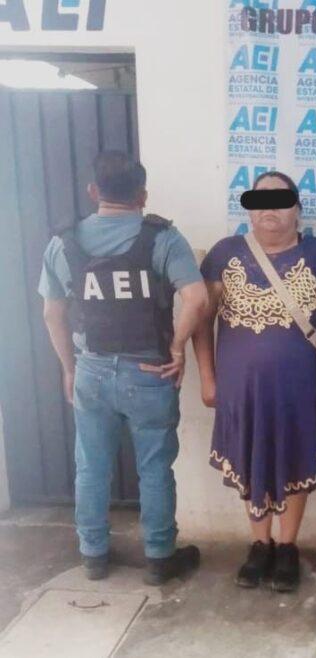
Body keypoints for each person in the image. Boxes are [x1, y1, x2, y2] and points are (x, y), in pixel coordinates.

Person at [39, 151, 208, 584]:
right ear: (142, 195)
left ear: (93, 191)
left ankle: (93, 554)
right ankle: (159, 557)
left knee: (91, 466)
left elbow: (52, 314)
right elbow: (197, 299)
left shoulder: (63, 242)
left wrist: (69, 367)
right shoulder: (163, 238)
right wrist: (177, 348)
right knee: (154, 467)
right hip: (149, 371)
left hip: (91, 370)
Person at [193, 171, 316, 593]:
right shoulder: (224, 254)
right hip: (240, 392)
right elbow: (201, 321)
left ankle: (287, 547)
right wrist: (207, 378)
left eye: (281, 201)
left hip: (302, 393)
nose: (270, 209)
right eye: (261, 200)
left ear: (297, 209)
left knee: (296, 460)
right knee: (250, 458)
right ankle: (259, 544)